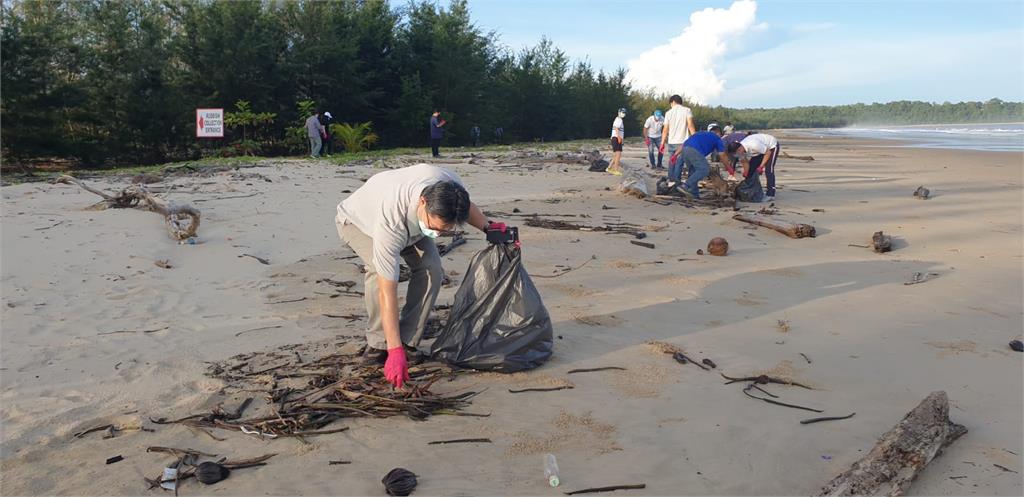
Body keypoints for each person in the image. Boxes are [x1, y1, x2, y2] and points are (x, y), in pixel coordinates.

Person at [335, 164, 504, 388]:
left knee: (432, 269)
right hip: (359, 223)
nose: (438, 234)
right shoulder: (391, 221)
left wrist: (489, 227)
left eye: (445, 231)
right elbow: (388, 291)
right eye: (436, 227)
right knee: (378, 274)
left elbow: (466, 208)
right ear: (423, 202)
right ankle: (378, 344)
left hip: (413, 226)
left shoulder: (452, 189)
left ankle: (408, 341)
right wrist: (392, 350)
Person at [670, 124, 726, 198]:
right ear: (718, 133)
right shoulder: (717, 138)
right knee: (704, 170)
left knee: (693, 171)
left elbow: (683, 144)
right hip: (694, 151)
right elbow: (722, 155)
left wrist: (675, 155)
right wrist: (728, 167)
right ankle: (685, 186)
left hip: (685, 150)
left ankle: (693, 194)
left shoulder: (699, 133)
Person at [727, 132, 781, 201]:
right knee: (751, 171)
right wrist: (746, 172)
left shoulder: (754, 145)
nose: (736, 155)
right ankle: (750, 189)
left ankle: (770, 194)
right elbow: (745, 162)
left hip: (771, 147)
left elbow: (768, 153)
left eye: (736, 153)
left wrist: (761, 167)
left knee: (769, 170)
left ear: (739, 149)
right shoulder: (740, 152)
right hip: (759, 151)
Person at [659, 95, 696, 189]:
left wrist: (662, 143)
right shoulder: (687, 110)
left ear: (673, 102)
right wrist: (695, 138)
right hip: (683, 142)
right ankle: (676, 183)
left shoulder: (668, 113)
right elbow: (690, 125)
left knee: (672, 161)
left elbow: (665, 129)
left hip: (672, 141)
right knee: (679, 163)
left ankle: (671, 181)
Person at [607, 108, 626, 176]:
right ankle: (615, 170)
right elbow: (616, 128)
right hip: (616, 138)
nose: (623, 114)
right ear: (619, 112)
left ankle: (609, 168)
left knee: (615, 155)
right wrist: (618, 137)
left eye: (624, 112)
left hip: (615, 138)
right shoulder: (619, 119)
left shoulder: (618, 119)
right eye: (622, 112)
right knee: (618, 154)